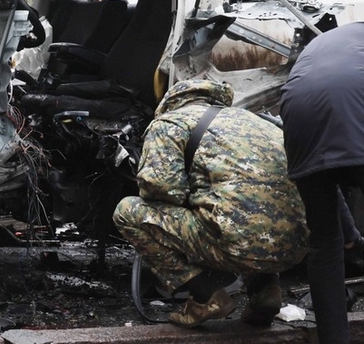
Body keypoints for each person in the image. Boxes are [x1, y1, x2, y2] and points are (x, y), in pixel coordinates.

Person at [113, 79, 308, 329]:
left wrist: (190, 197)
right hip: (296, 246)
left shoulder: (171, 122)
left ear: (170, 102)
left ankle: (205, 297)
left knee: (127, 212)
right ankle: (266, 291)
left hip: (236, 244)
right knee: (250, 209)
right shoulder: (256, 121)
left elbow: (160, 187)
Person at [279, 21, 364, 344]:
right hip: (352, 107)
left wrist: (351, 237)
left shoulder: (328, 43)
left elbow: (329, 167)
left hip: (298, 112)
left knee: (323, 241)